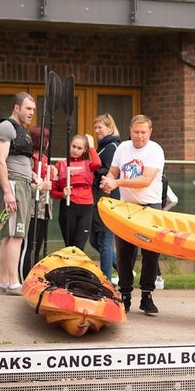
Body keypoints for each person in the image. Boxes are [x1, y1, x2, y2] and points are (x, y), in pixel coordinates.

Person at [100, 114, 164, 315]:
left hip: (150, 205)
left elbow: (146, 180)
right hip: (126, 206)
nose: (140, 136)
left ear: (150, 132)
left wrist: (117, 183)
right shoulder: (122, 148)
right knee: (124, 252)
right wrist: (107, 181)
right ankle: (125, 295)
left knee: (150, 253)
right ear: (130, 131)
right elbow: (113, 171)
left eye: (144, 132)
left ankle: (147, 295)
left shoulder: (155, 150)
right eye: (136, 132)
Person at [0, 92, 37, 296]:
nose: (32, 113)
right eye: (28, 108)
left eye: (34, 110)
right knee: (15, 235)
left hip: (22, 184)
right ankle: (13, 282)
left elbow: (20, 159)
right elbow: (0, 161)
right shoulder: (6, 127)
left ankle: (3, 282)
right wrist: (7, 191)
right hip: (14, 185)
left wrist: (33, 174)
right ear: (17, 108)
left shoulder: (22, 131)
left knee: (10, 236)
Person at [53, 133, 102, 250]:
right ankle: (70, 268)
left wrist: (91, 146)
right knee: (69, 246)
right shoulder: (61, 165)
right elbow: (53, 192)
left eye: (79, 148)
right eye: (73, 146)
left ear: (84, 150)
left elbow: (97, 163)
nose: (75, 150)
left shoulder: (88, 164)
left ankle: (76, 268)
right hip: (69, 206)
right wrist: (63, 195)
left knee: (79, 247)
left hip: (86, 207)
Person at [89, 114, 121, 283]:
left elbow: (109, 171)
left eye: (100, 127)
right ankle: (124, 269)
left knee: (105, 241)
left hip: (109, 199)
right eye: (95, 128)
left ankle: (106, 281)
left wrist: (92, 169)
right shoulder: (103, 147)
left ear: (110, 128)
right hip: (98, 199)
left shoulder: (112, 147)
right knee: (95, 240)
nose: (97, 131)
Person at [21, 126, 55, 282]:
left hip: (44, 206)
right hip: (33, 206)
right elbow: (26, 183)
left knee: (38, 244)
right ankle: (24, 276)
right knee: (30, 244)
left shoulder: (45, 159)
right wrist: (41, 186)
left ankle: (35, 276)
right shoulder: (29, 159)